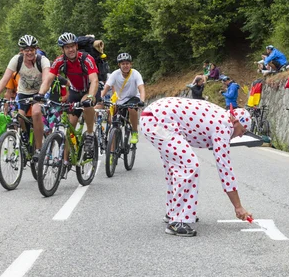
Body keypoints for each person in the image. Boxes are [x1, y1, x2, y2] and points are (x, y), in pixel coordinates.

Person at [140, 97, 253, 237]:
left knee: (175, 168)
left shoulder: (220, 115)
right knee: (190, 166)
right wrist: (238, 207)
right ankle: (178, 221)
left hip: (154, 117)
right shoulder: (225, 126)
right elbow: (225, 169)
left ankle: (173, 213)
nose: (241, 136)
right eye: (243, 131)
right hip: (159, 121)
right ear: (236, 122)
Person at [38, 32, 99, 165]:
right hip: (74, 91)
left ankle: (89, 134)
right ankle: (64, 161)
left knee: (87, 104)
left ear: (76, 46)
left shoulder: (87, 59)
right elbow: (48, 79)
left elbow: (94, 80)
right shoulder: (59, 61)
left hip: (89, 89)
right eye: (67, 47)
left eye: (72, 46)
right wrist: (40, 94)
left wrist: (90, 96)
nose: (70, 49)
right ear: (63, 49)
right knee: (70, 126)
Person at [0, 35, 51, 157]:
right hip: (24, 91)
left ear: (36, 49)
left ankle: (39, 149)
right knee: (19, 117)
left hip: (40, 91)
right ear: (21, 50)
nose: (29, 52)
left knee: (35, 113)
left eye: (32, 49)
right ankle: (24, 135)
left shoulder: (43, 60)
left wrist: (40, 95)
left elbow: (46, 80)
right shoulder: (16, 60)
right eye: (26, 49)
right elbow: (5, 79)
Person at [100, 52, 145, 144]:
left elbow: (141, 88)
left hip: (133, 98)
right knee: (114, 124)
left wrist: (142, 100)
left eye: (127, 63)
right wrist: (100, 98)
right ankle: (112, 154)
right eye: (123, 64)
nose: (125, 66)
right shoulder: (115, 74)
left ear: (131, 64)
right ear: (119, 65)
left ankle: (135, 132)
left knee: (131, 108)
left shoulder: (135, 74)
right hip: (120, 100)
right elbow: (106, 87)